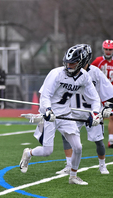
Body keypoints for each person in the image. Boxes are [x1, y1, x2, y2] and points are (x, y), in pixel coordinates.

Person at [19, 44, 101, 185]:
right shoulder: (56, 73)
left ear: (82, 62)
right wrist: (48, 110)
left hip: (65, 113)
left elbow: (95, 99)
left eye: (73, 63)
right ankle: (28, 153)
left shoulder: (84, 77)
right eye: (67, 62)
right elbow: (45, 96)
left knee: (78, 147)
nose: (69, 65)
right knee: (47, 151)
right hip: (49, 112)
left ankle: (73, 176)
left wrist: (95, 114)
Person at [56, 44, 113, 175]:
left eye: (76, 61)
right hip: (73, 111)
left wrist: (107, 107)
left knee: (98, 141)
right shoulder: (67, 73)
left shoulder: (96, 73)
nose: (72, 64)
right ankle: (69, 165)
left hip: (91, 113)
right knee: (66, 137)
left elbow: (109, 92)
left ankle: (102, 165)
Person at [91, 40, 113, 148]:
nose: (108, 51)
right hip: (100, 93)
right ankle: (98, 136)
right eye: (106, 49)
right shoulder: (98, 61)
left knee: (112, 116)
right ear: (103, 49)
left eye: (110, 49)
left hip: (111, 94)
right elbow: (89, 73)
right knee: (99, 116)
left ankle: (111, 140)